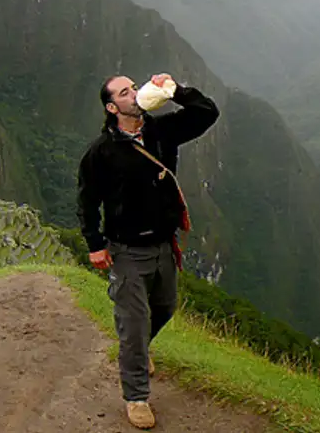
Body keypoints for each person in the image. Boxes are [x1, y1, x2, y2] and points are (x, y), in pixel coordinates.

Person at [76, 73, 219, 430]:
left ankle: (135, 350)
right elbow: (88, 201)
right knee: (134, 325)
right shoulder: (101, 152)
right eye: (125, 92)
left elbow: (206, 113)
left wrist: (174, 90)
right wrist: (95, 245)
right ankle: (136, 396)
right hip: (126, 250)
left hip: (161, 243)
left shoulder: (162, 131)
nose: (135, 93)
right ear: (113, 107)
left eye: (134, 86)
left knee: (165, 307)